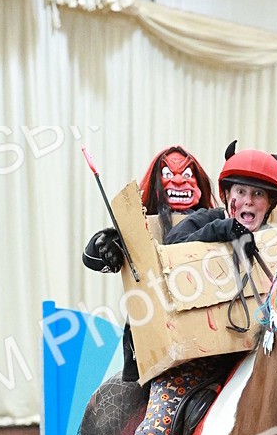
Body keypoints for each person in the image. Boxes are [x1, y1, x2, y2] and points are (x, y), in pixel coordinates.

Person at [118, 141, 277, 435]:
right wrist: (219, 233)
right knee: (161, 412)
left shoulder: (276, 243)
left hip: (253, 358)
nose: (248, 201)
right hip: (197, 360)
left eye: (258, 195)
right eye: (241, 193)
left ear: (268, 204)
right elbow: (172, 245)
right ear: (228, 197)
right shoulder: (202, 221)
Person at [82, 146, 214, 381]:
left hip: (214, 344)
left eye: (186, 175)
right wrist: (107, 244)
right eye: (168, 174)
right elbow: (92, 258)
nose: (177, 181)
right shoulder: (141, 230)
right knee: (156, 418)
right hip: (156, 350)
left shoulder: (215, 221)